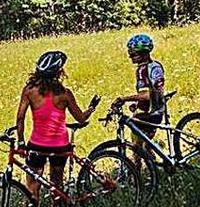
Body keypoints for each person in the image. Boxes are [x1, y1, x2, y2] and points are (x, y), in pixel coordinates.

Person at [16, 51, 98, 205]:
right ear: (59, 72)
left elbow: (20, 118)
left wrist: (20, 142)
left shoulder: (29, 90)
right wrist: (91, 108)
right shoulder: (65, 94)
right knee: (57, 186)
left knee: (32, 187)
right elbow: (80, 119)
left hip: (37, 145)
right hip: (60, 146)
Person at [114, 34, 166, 164]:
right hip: (157, 110)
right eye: (130, 54)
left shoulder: (143, 70)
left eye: (133, 54)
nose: (130, 57)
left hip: (151, 113)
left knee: (136, 145)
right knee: (146, 145)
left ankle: (135, 172)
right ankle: (154, 166)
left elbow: (147, 95)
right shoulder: (155, 65)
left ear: (144, 54)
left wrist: (124, 99)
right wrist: (136, 104)